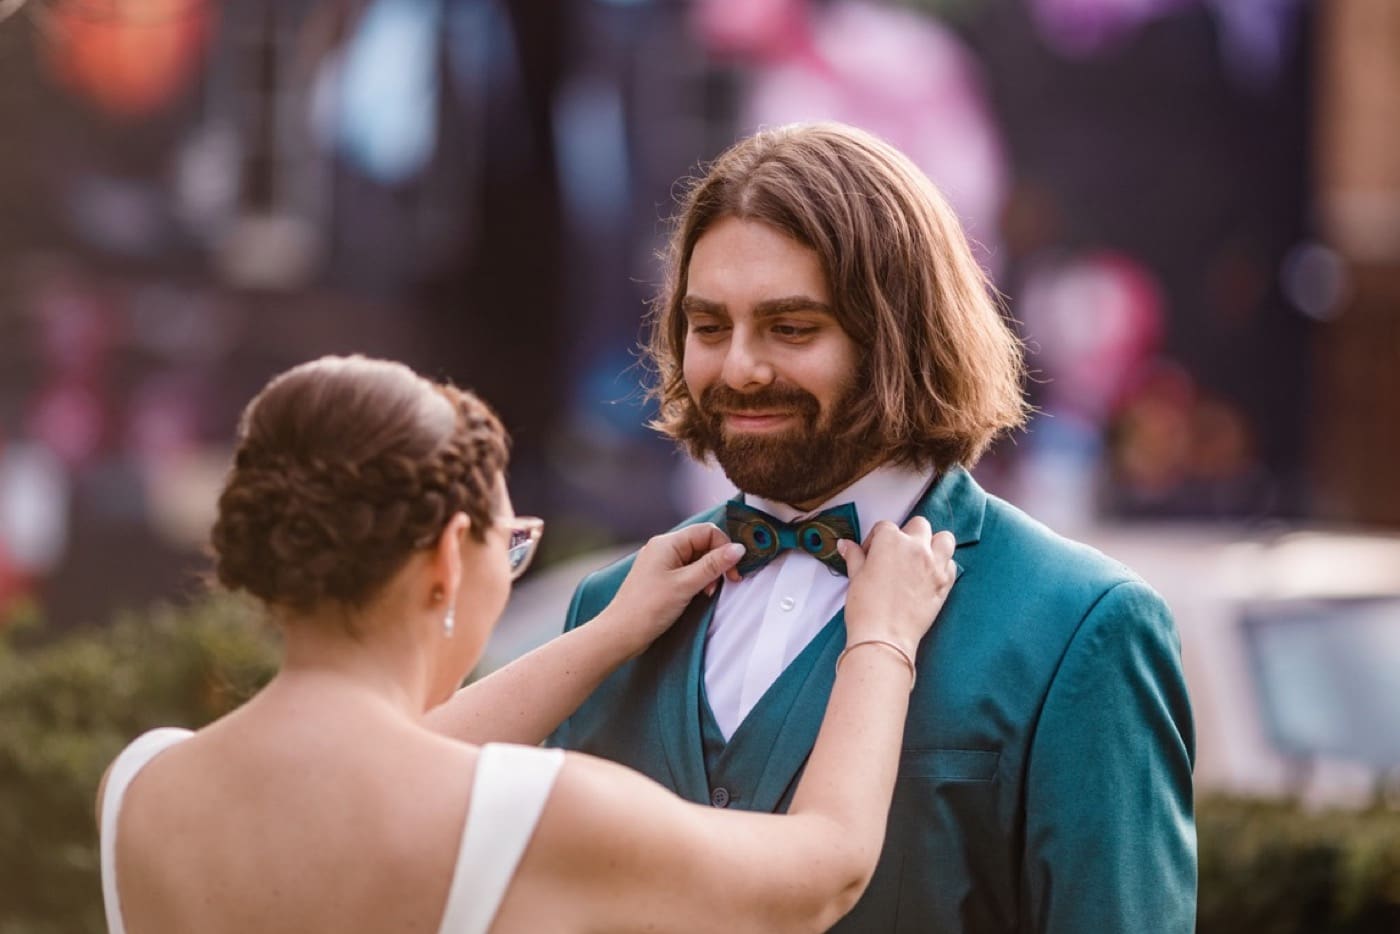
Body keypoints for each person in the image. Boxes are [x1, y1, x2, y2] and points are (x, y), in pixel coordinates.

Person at [538, 123, 1197, 932]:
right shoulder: (603, 616)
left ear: (897, 338)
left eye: (791, 328)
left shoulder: (1082, 625)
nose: (739, 366)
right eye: (709, 328)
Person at [96, 354, 958, 934]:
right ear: (444, 557)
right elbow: (825, 871)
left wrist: (613, 630)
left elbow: (369, 774)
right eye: (509, 546)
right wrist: (882, 636)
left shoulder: (141, 785)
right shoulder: (532, 810)